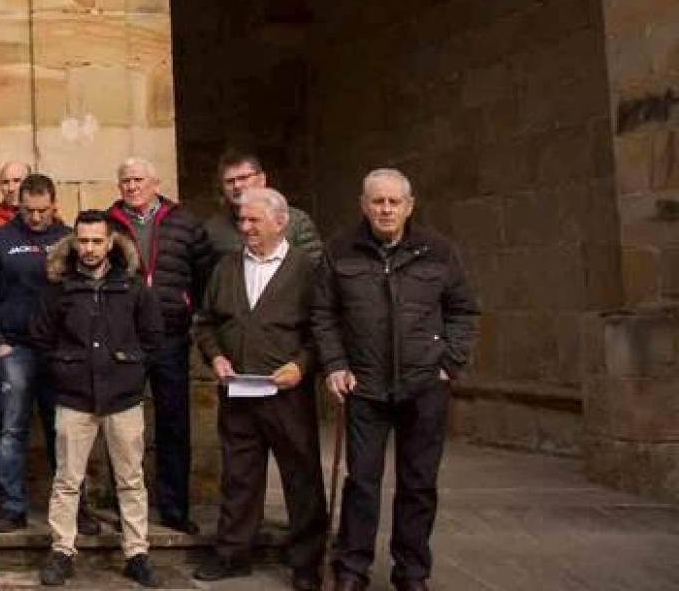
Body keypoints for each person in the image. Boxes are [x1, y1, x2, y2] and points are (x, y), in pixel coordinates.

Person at [315, 170, 479, 591]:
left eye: (393, 202)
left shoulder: (439, 251)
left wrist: (450, 363)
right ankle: (352, 568)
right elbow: (324, 314)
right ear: (363, 205)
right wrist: (334, 363)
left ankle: (412, 571)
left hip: (425, 385)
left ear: (409, 205)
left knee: (419, 484)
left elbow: (463, 311)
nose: (385, 209)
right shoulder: (340, 251)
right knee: (362, 482)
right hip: (364, 386)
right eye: (377, 201)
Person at [191, 188, 327, 590]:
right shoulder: (227, 267)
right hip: (238, 392)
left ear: (281, 222)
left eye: (254, 221)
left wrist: (300, 367)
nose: (245, 228)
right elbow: (205, 322)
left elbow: (323, 332)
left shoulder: (307, 270)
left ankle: (306, 561)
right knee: (239, 475)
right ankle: (233, 554)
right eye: (242, 221)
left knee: (301, 476)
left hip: (288, 395)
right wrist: (215, 357)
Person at [34, 212, 162, 589]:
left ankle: (137, 551)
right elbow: (41, 338)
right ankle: (62, 549)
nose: (89, 249)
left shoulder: (134, 287)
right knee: (67, 479)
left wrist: (132, 371)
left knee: (130, 478)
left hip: (123, 397)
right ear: (75, 242)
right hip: (74, 396)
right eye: (83, 241)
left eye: (96, 241)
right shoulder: (58, 288)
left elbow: (153, 337)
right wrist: (63, 370)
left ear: (110, 243)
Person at [106, 156, 213, 534]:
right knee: (122, 429)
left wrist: (190, 310)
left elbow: (203, 274)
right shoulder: (107, 223)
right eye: (125, 180)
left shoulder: (185, 222)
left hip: (170, 334)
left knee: (173, 423)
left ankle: (174, 508)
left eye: (138, 179)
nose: (132, 187)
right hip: (125, 337)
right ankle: (126, 508)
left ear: (155, 182)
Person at [0, 173, 71, 532]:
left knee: (63, 429)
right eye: (28, 210)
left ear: (54, 205)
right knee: (11, 429)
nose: (35, 218)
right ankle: (12, 505)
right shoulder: (0, 240)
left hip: (59, 350)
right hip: (14, 347)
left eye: (42, 211)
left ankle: (73, 507)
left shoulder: (68, 239)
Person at [201, 151, 320, 261]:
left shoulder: (296, 221)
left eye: (243, 178)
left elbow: (313, 267)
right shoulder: (213, 229)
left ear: (262, 179)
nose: (236, 185)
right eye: (229, 181)